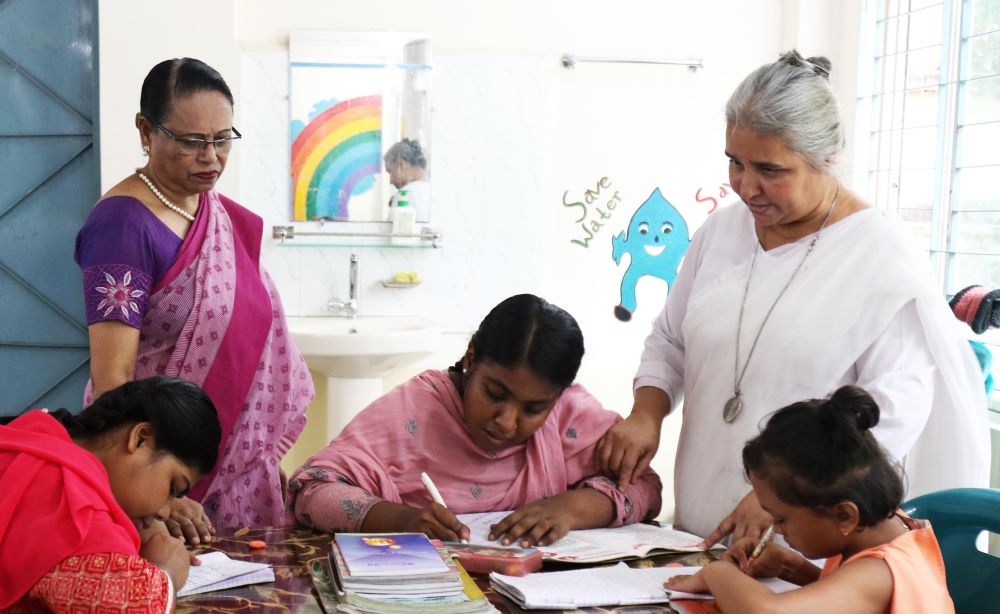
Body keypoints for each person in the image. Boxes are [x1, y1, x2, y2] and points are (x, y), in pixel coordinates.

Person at [595, 51, 990, 544]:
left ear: (826, 157)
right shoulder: (722, 232)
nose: (745, 187)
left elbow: (891, 413)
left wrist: (780, 496)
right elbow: (671, 340)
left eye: (769, 169)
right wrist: (645, 414)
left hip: (810, 540)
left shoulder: (881, 254)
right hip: (700, 527)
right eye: (734, 163)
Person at [74, 58, 314, 536]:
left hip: (236, 468)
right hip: (160, 474)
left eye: (223, 139)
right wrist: (162, 497)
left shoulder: (216, 215)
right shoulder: (123, 226)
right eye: (191, 141)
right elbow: (113, 380)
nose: (211, 158)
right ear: (146, 130)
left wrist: (258, 452)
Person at [289, 294, 662, 546]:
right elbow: (311, 493)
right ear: (470, 359)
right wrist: (400, 521)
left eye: (533, 409)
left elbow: (644, 488)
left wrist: (570, 508)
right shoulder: (414, 412)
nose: (506, 422)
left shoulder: (568, 416)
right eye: (494, 394)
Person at [665, 386, 954, 613]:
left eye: (780, 519)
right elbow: (851, 600)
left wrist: (717, 574)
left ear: (843, 516)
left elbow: (766, 612)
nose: (775, 530)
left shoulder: (880, 572)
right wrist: (793, 566)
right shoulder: (889, 530)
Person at [0, 376, 221, 613]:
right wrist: (165, 571)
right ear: (140, 438)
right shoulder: (77, 510)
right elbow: (135, 606)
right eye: (172, 488)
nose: (164, 512)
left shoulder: (35, 435)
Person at [384, 138, 430, 222]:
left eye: (390, 171)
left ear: (401, 165)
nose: (390, 181)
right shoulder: (433, 191)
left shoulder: (404, 195)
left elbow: (392, 234)